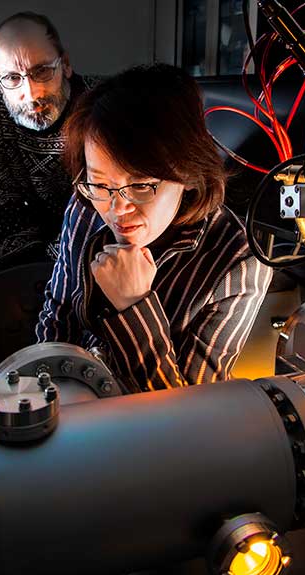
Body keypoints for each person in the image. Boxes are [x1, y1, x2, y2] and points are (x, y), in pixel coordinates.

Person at [36, 64, 273, 393]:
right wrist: (45, 393)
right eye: (101, 184)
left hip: (149, 436)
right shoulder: (86, 207)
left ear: (189, 173)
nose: (117, 209)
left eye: (141, 185)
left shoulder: (237, 264)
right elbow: (59, 312)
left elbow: (187, 413)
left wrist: (133, 305)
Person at [0, 12, 96, 282]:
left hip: (92, 242)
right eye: (13, 78)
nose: (31, 93)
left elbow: (109, 206)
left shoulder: (99, 108)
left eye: (42, 71)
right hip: (21, 244)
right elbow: (0, 214)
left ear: (66, 64)